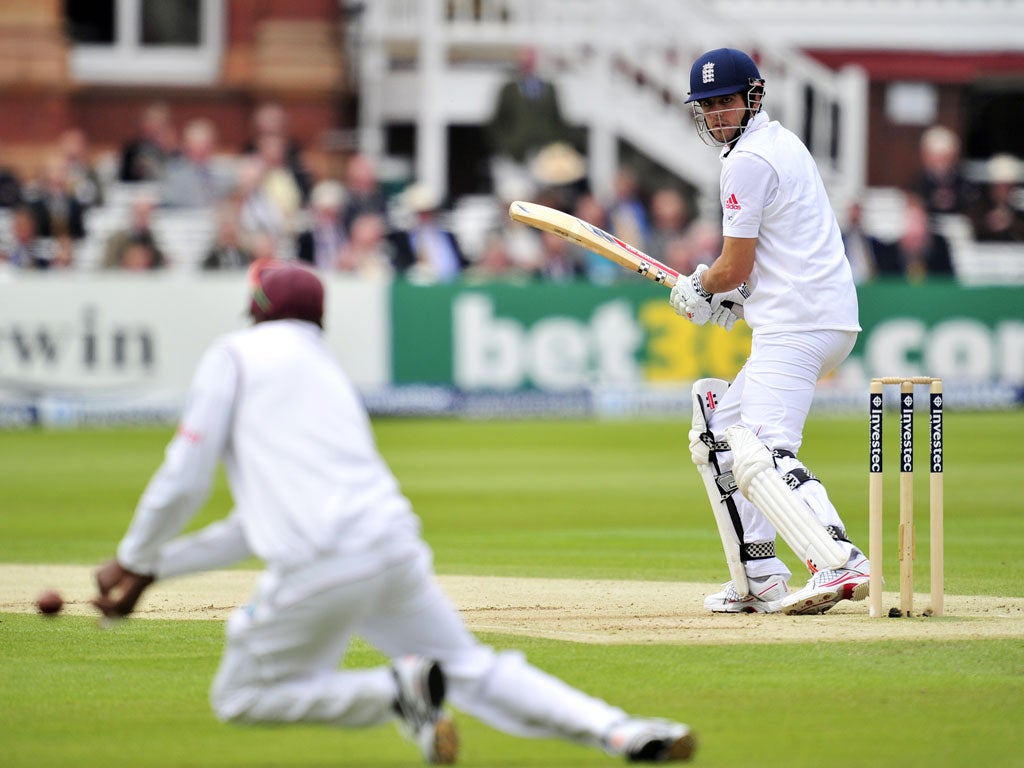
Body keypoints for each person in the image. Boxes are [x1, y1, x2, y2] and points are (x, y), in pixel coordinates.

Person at [90, 259, 696, 765]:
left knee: (241, 696)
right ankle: (623, 729)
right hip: (390, 548)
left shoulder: (235, 355)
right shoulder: (325, 374)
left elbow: (182, 479)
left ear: (255, 308)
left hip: (320, 561)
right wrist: (152, 570)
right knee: (473, 669)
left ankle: (395, 692)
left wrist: (133, 558)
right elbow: (249, 527)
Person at [668, 48, 870, 615]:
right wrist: (733, 296)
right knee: (720, 435)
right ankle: (759, 575)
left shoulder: (750, 158)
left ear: (753, 98)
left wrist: (706, 288)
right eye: (706, 106)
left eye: (725, 102)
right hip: (806, 314)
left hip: (799, 323)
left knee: (765, 449)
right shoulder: (777, 144)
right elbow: (773, 259)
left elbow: (733, 265)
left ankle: (841, 559)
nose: (716, 115)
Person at [872, 193, 954, 281]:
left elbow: (947, 279)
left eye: (919, 222)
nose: (915, 230)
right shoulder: (888, 254)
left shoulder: (940, 248)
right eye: (912, 222)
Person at [968, 153, 1024, 242]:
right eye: (999, 185)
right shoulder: (979, 204)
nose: (1003, 189)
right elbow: (972, 230)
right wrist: (988, 223)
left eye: (1007, 185)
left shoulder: (1020, 205)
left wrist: (1012, 223)